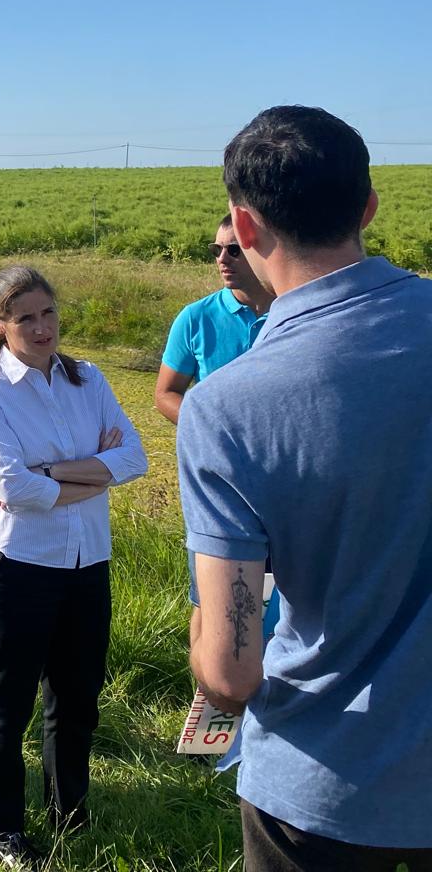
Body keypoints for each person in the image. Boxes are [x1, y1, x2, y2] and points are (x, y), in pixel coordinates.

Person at [179, 106, 432, 871]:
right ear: (368, 207)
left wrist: (199, 631)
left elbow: (230, 674)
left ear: (244, 227)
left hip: (318, 784)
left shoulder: (227, 408)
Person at [0, 266, 147, 869]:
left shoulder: (89, 378)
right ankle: (5, 829)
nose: (40, 326)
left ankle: (69, 816)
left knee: (78, 699)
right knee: (7, 705)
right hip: (17, 565)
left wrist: (52, 473)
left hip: (87, 562)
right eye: (24, 317)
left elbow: (134, 459)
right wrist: (89, 468)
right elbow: (11, 488)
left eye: (47, 313)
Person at [153, 213, 275, 425]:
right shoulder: (195, 318)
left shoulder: (295, 311)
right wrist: (209, 430)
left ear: (261, 251)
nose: (222, 259)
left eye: (234, 250)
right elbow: (166, 393)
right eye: (216, 250)